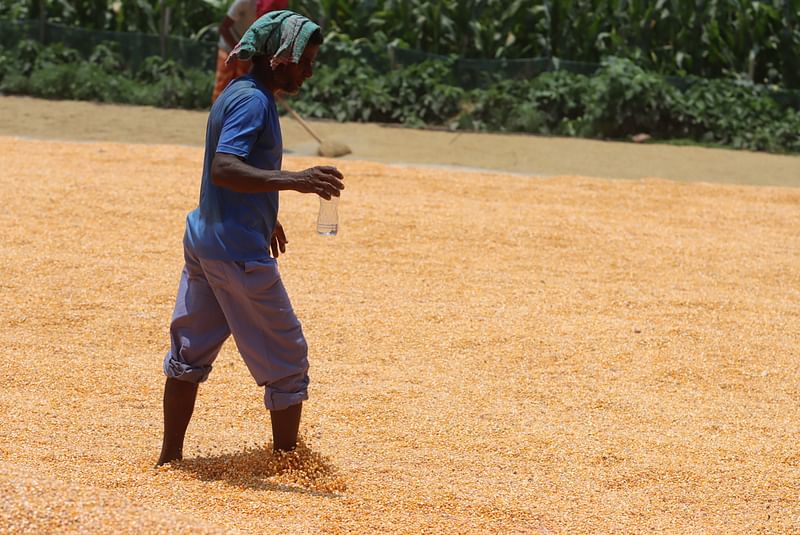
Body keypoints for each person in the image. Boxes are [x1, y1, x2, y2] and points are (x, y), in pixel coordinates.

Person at [157, 10, 344, 466]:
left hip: (207, 239)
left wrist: (266, 213)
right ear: (282, 58)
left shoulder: (238, 92)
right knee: (287, 354)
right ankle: (288, 463)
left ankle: (170, 459)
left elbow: (233, 171)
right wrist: (294, 180)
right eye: (306, 62)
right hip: (235, 252)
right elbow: (225, 168)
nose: (310, 71)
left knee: (190, 350)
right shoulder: (254, 102)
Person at [212, 0, 289, 103]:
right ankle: (217, 114)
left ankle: (236, 113)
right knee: (223, 83)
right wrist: (238, 50)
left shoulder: (276, 15)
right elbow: (223, 28)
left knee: (243, 87)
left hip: (249, 49)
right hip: (229, 44)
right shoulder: (244, 2)